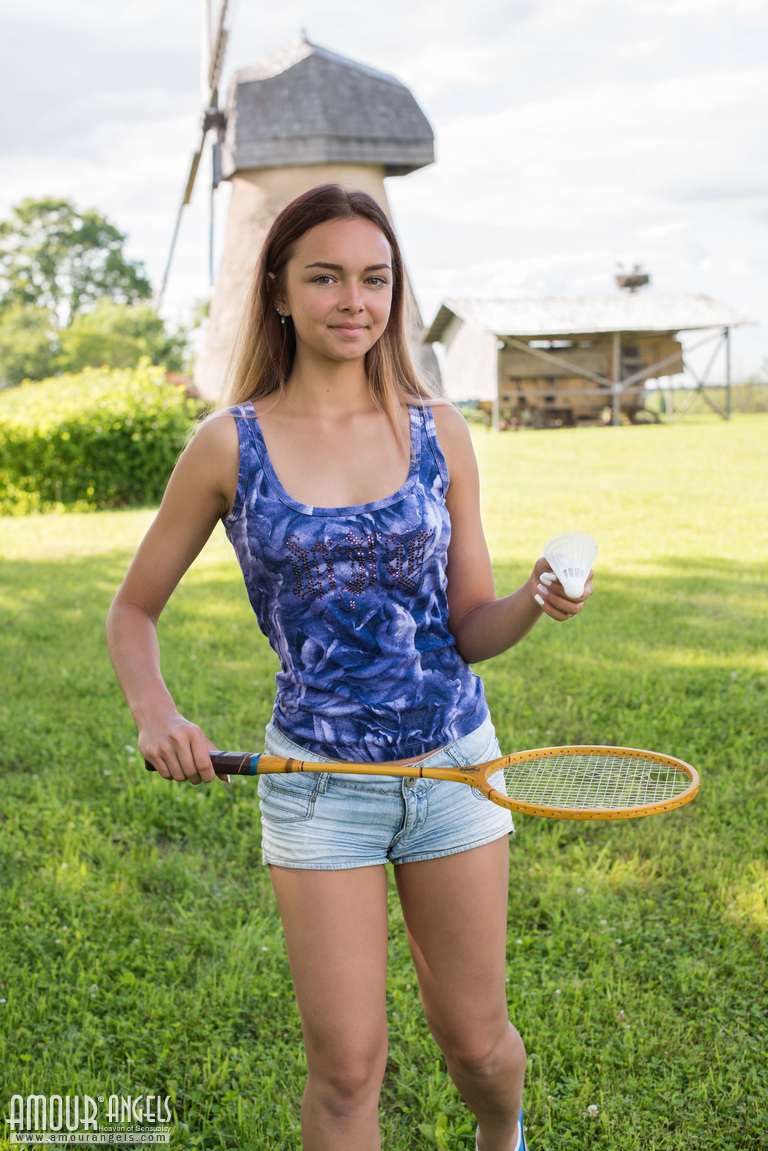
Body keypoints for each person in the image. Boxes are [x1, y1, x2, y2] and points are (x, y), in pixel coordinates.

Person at [106, 184, 592, 1151]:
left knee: (479, 1045)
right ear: (279, 291)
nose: (354, 301)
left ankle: (504, 1137)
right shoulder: (229, 443)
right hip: (320, 789)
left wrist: (533, 599)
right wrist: (157, 712)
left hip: (455, 771)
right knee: (345, 1070)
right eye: (325, 277)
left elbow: (469, 627)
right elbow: (133, 609)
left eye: (375, 278)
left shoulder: (438, 429)